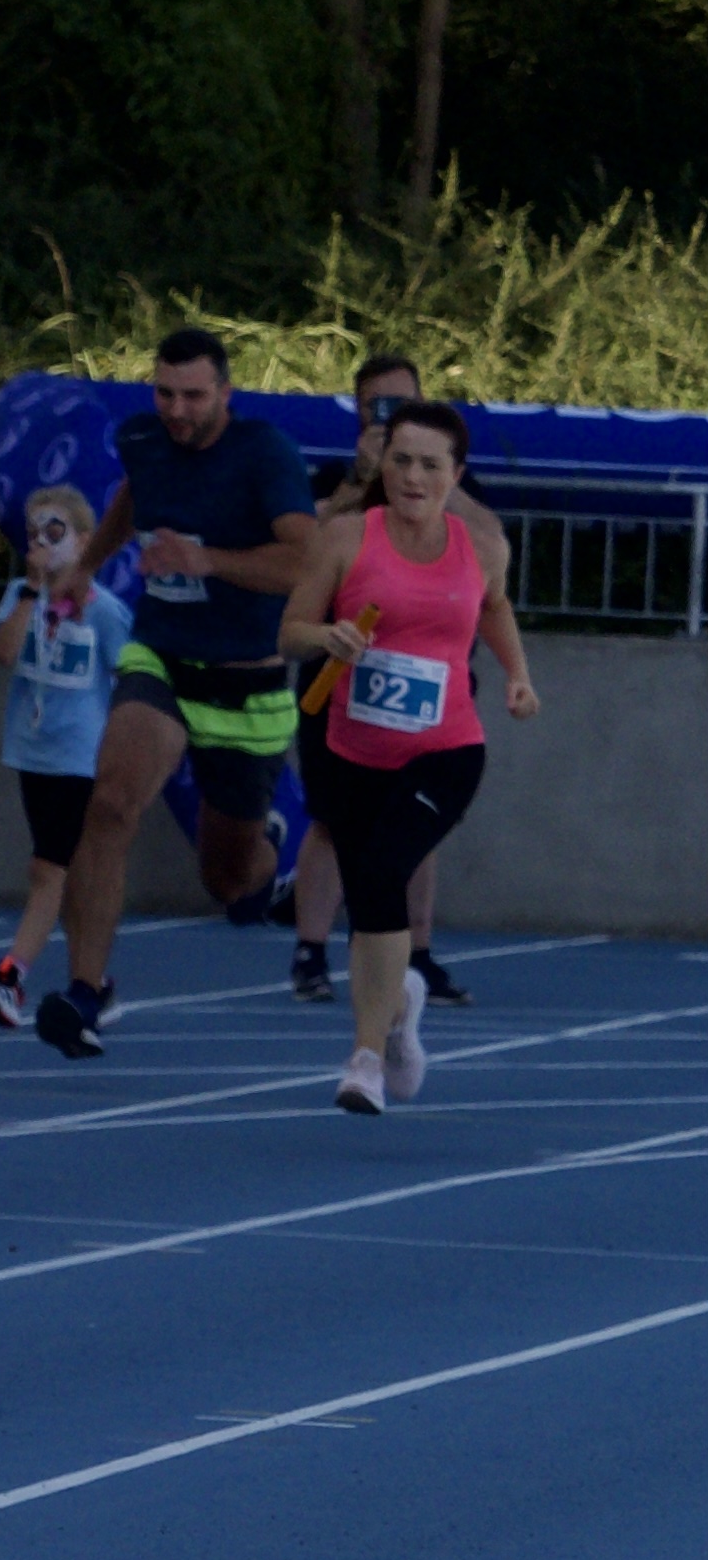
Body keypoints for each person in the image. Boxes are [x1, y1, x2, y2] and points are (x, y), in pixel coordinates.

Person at [42, 326, 320, 1058]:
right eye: (165, 393)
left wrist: (208, 558)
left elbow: (304, 560)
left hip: (246, 679)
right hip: (161, 653)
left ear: (224, 393)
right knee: (108, 802)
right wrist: (85, 566)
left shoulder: (264, 454)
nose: (177, 409)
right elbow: (133, 500)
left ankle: (266, 851)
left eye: (193, 395)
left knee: (227, 880)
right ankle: (85, 991)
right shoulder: (141, 437)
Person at [278, 399, 532, 1115]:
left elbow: (494, 607)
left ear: (455, 474)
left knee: (386, 870)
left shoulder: (479, 546)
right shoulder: (343, 538)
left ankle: (361, 1059)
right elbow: (290, 629)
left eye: (428, 464)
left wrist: (516, 675)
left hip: (445, 751)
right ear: (379, 462)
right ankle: (398, 1013)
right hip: (353, 747)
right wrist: (324, 637)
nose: (411, 475)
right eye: (399, 459)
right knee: (370, 898)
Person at [290, 351, 495, 1011]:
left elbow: (490, 550)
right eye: (379, 407)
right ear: (357, 411)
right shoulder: (338, 479)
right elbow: (311, 543)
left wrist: (439, 477)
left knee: (415, 819)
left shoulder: (447, 484)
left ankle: (417, 953)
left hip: (427, 685)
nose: (391, 421)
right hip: (343, 674)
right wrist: (362, 474)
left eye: (401, 405)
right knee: (331, 818)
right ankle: (310, 948)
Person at [0, 486, 130, 1030]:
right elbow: (4, 653)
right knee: (69, 876)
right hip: (34, 752)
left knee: (46, 870)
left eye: (56, 534)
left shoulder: (105, 612)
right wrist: (32, 590)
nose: (43, 545)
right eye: (34, 535)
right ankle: (93, 984)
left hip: (81, 757)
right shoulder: (19, 597)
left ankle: (10, 977)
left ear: (84, 541)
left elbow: (128, 679)